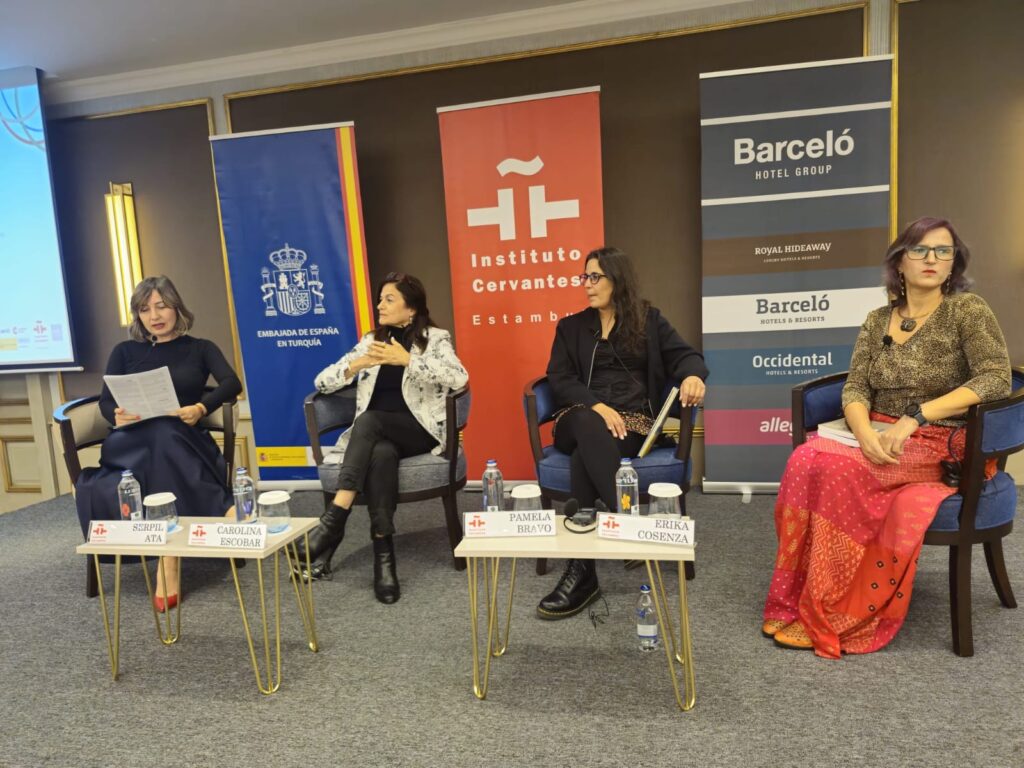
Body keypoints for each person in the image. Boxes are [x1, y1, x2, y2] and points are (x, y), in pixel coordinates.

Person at [762, 217, 1012, 658]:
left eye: (943, 251)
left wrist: (915, 418)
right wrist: (862, 431)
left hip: (938, 438)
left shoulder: (967, 311)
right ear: (899, 262)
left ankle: (832, 611)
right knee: (804, 460)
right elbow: (856, 386)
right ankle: (794, 598)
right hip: (874, 430)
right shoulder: (878, 318)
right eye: (920, 249)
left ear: (953, 264)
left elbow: (995, 379)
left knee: (839, 470)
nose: (932, 259)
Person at [536, 246, 709, 619]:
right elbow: (559, 378)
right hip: (577, 417)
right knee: (587, 425)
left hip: (630, 424)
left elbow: (687, 356)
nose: (587, 284)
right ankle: (627, 524)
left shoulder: (648, 321)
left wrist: (693, 376)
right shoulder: (570, 327)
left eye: (595, 277)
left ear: (617, 279)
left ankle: (582, 573)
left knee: (584, 456)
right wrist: (596, 406)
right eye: (584, 277)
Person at [297, 272, 469, 604]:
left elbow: (459, 377)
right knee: (382, 454)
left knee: (370, 421)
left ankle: (335, 518)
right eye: (380, 299)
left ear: (411, 308)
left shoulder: (435, 339)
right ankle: (383, 556)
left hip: (419, 431)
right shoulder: (371, 341)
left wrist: (409, 361)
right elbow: (321, 382)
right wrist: (358, 364)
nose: (380, 305)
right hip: (379, 436)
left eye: (389, 299)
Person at [75, 276, 242, 612]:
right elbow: (106, 401)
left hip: (180, 435)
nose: (154, 315)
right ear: (138, 315)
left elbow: (231, 383)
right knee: (160, 437)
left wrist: (200, 408)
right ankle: (226, 508)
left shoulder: (201, 348)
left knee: (165, 434)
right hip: (130, 442)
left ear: (176, 307)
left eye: (161, 306)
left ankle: (168, 560)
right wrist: (116, 414)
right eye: (144, 309)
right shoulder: (124, 351)